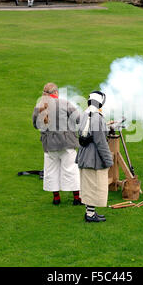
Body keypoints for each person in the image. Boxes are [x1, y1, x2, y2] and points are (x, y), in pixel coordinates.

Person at [32, 83, 82, 205]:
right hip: (66, 143)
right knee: (71, 170)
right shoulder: (64, 103)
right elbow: (79, 119)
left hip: (49, 145)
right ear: (55, 92)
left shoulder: (38, 107)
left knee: (51, 171)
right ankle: (76, 198)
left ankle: (56, 198)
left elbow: (35, 125)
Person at [76, 91, 113, 222]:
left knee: (89, 186)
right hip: (93, 158)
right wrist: (108, 161)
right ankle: (90, 215)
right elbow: (101, 142)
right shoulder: (97, 117)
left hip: (84, 155)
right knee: (93, 186)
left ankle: (90, 213)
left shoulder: (84, 114)